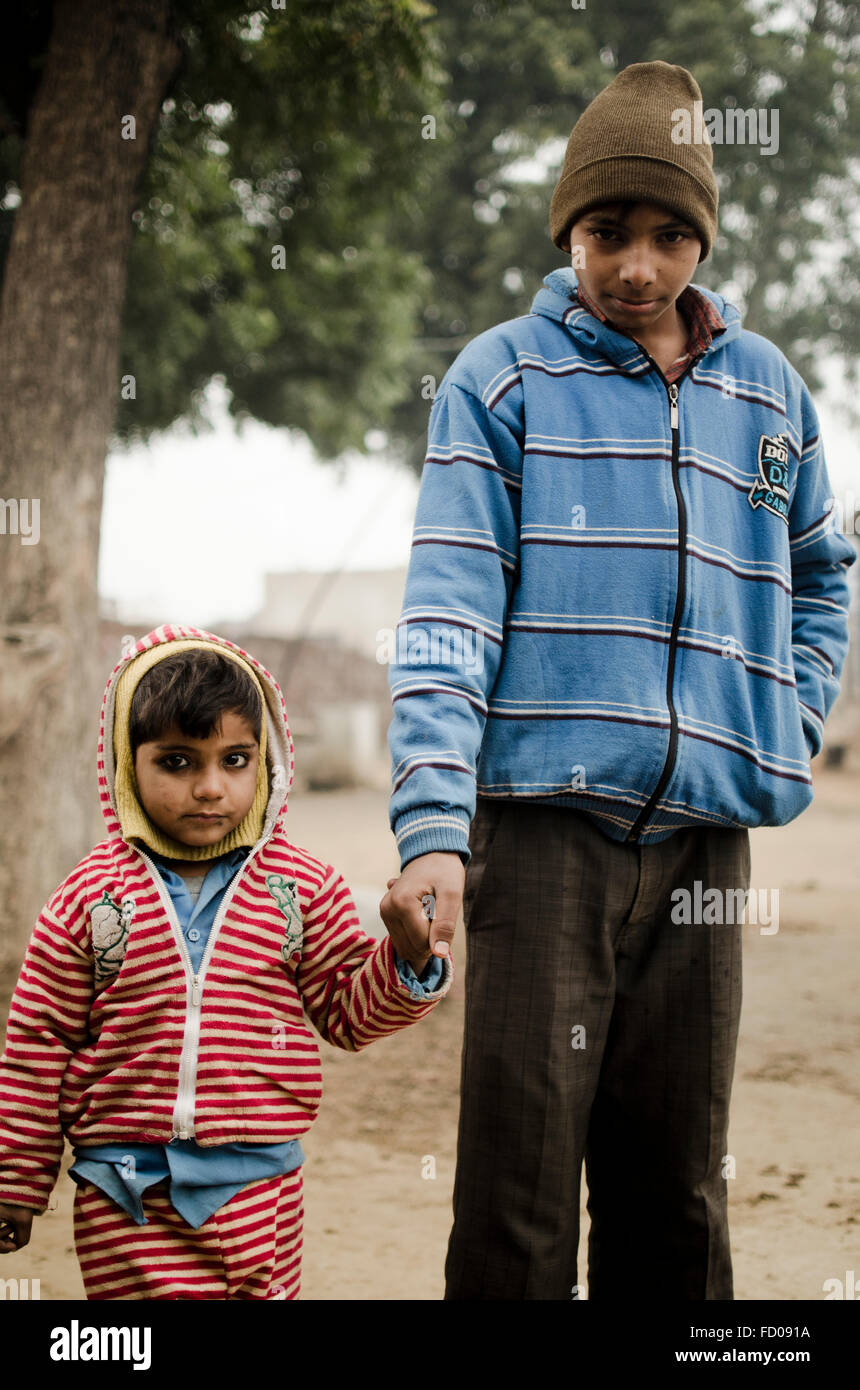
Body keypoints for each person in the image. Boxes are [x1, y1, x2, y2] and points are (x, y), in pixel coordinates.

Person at [379, 60, 856, 1299]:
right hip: (538, 845)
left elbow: (822, 571)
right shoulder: (502, 379)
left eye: (664, 234)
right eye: (605, 232)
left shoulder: (769, 397)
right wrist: (432, 826)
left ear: (700, 233)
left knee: (675, 1197)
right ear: (566, 232)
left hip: (706, 846)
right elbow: (447, 602)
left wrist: (786, 714)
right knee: (516, 1196)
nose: (635, 266)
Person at [0, 624, 452, 1299]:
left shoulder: (301, 890)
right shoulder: (88, 899)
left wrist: (406, 962)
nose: (211, 788)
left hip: (263, 1192)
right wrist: (17, 1177)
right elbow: (39, 1042)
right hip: (128, 1196)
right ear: (129, 762)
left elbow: (348, 1012)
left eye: (235, 760)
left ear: (265, 759)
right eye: (178, 762)